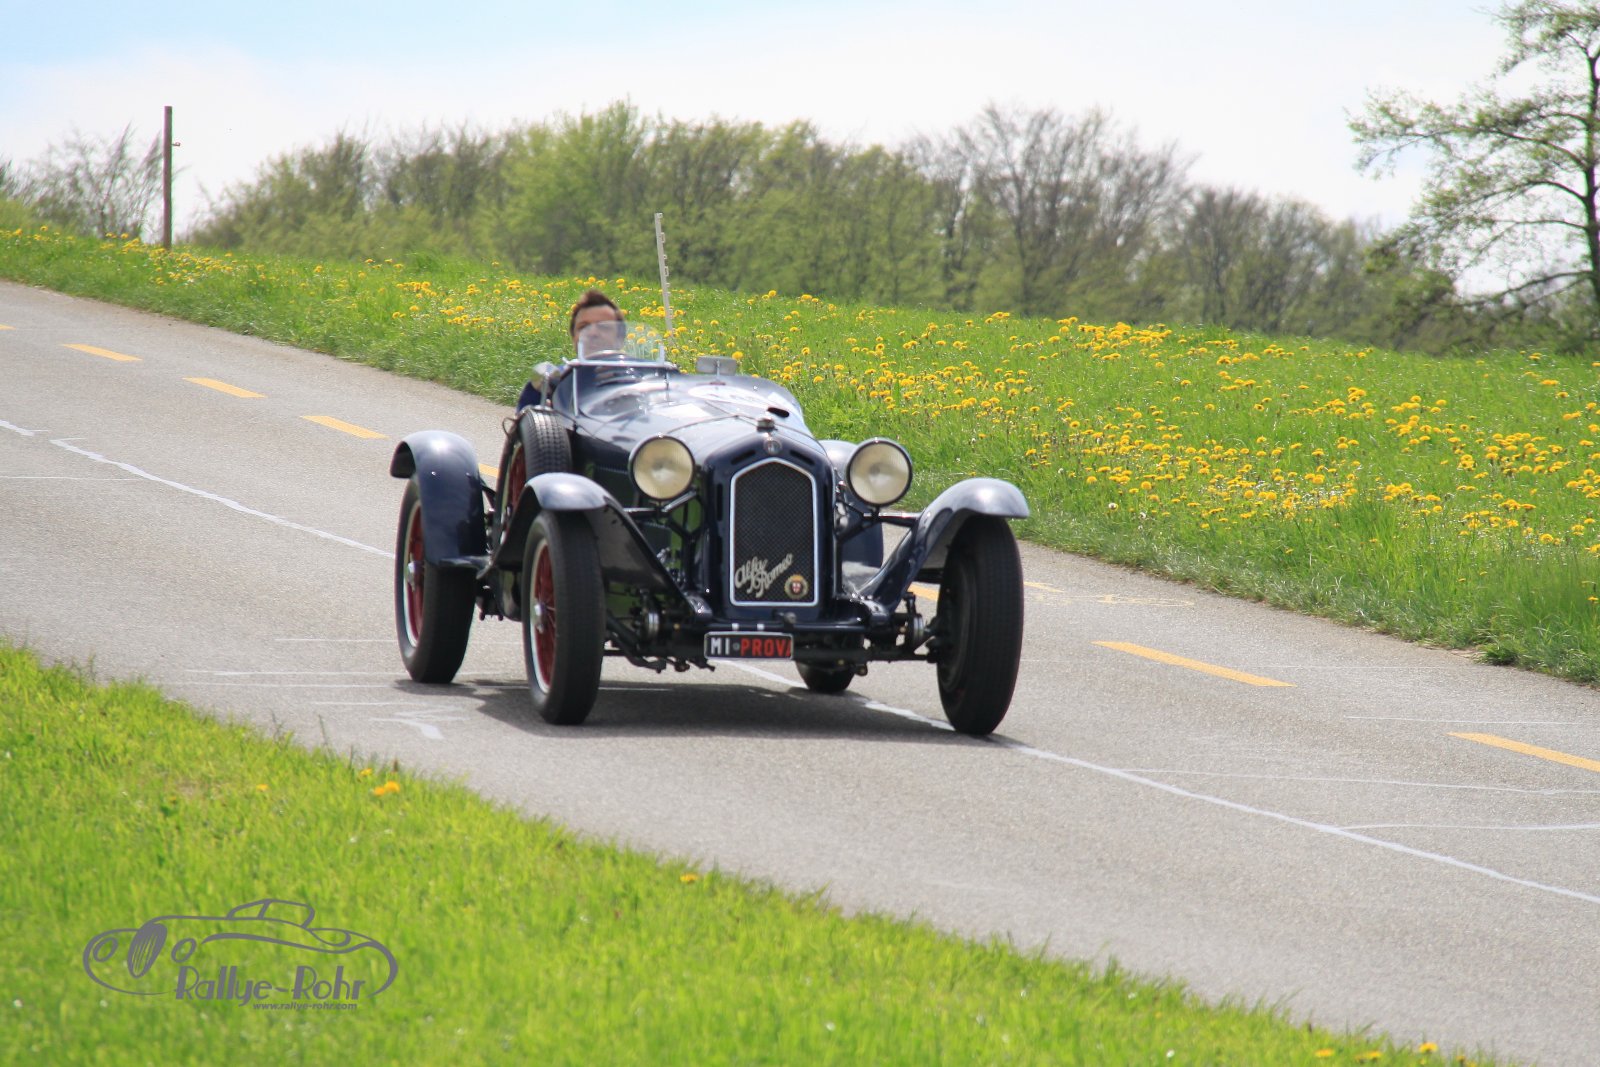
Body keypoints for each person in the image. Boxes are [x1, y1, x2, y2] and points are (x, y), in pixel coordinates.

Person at [515, 289, 627, 410]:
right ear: (574, 337)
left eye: (604, 326)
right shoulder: (552, 381)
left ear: (620, 338)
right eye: (584, 327)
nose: (593, 333)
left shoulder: (638, 380)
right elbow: (525, 419)